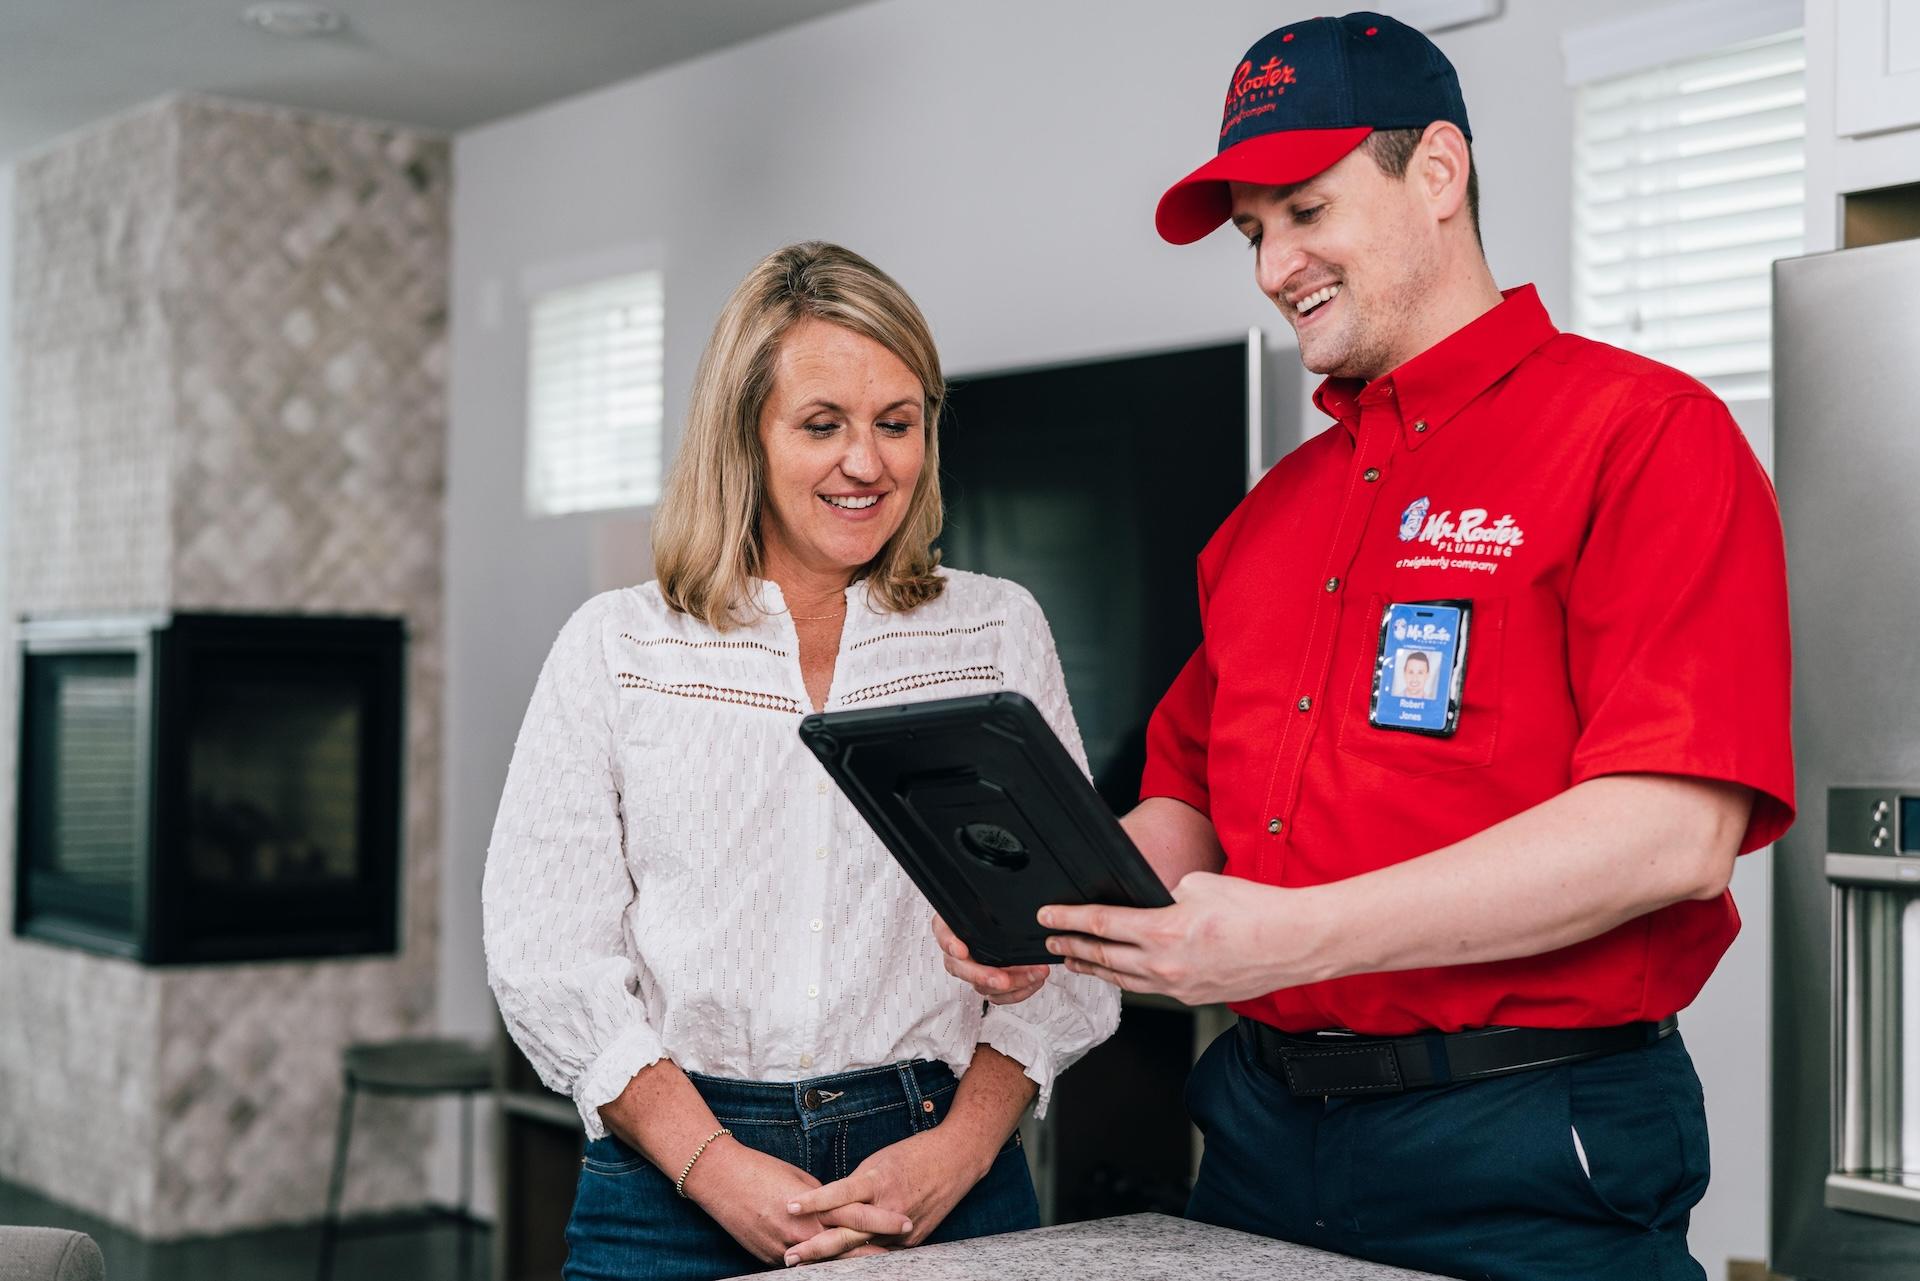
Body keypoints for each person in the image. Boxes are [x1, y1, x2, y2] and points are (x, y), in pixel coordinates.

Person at [937, 13, 1793, 1279]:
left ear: (1437, 173)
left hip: (1529, 1144)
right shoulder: (1272, 515)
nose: (1275, 263)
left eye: (1305, 209)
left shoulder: (1645, 435)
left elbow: (1672, 832)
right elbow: (1186, 803)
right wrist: (1056, 911)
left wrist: (1293, 936)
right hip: (1260, 1138)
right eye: (1252, 232)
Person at [485, 240, 1118, 1280]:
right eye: (822, 424)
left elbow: (1069, 942)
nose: (866, 463)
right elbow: (546, 951)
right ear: (745, 437)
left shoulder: (995, 631)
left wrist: (956, 1153)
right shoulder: (618, 646)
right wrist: (715, 1166)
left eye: (897, 423)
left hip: (943, 1160)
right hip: (670, 1178)